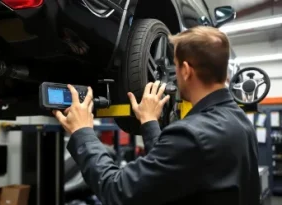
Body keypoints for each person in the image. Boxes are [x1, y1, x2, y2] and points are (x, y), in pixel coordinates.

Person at [53, 26, 260, 205]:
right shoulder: (240, 122)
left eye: (175, 65)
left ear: (186, 70)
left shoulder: (192, 135)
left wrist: (83, 133)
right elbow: (175, 169)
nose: (174, 74)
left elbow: (118, 191)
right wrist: (150, 123)